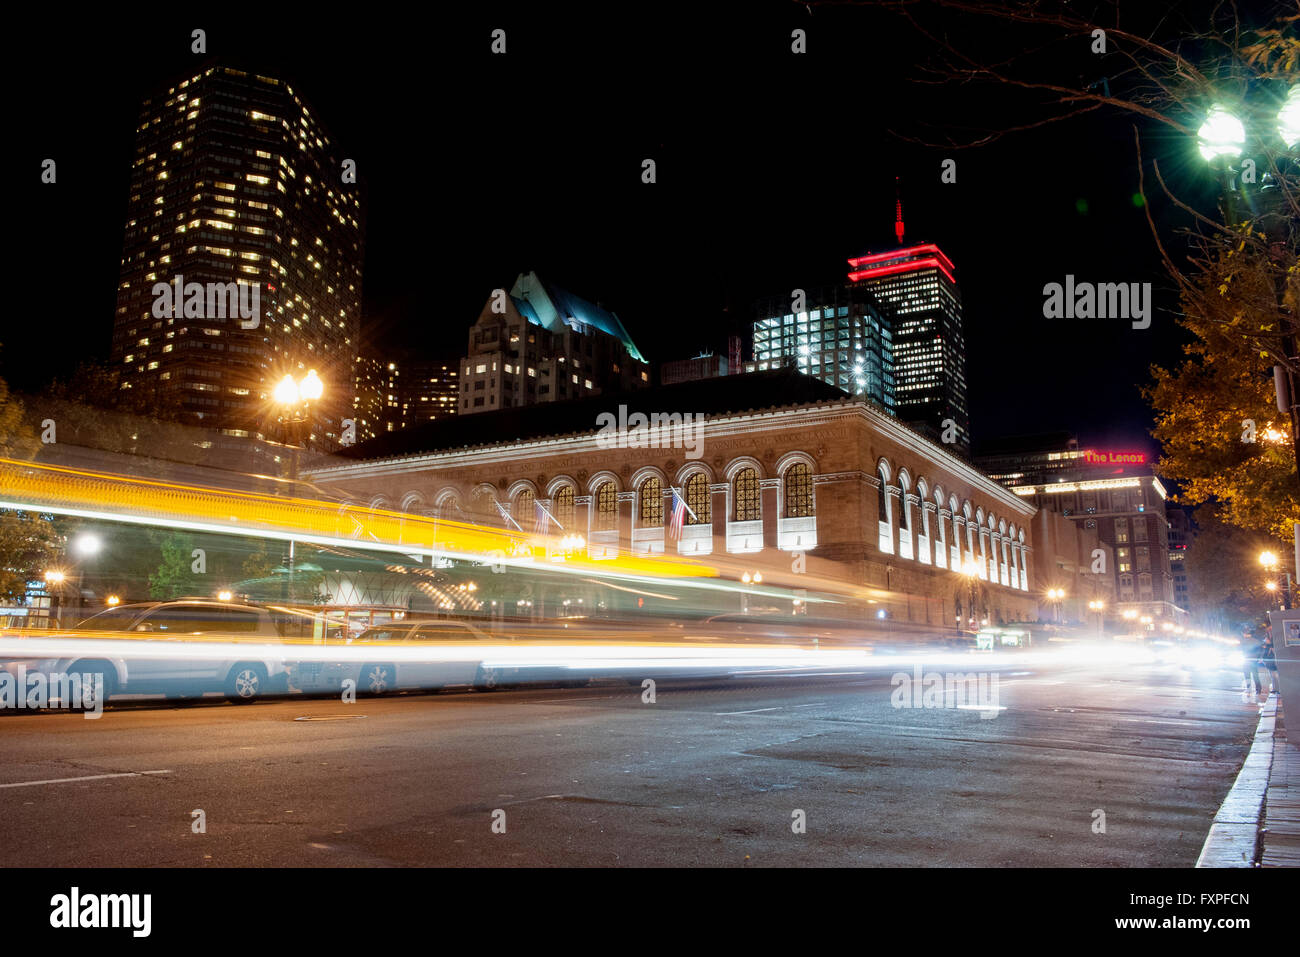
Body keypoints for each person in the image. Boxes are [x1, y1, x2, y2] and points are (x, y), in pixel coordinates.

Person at [1241, 628, 1262, 695]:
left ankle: (1249, 688)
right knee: (1255, 675)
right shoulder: (1256, 641)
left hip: (1246, 660)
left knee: (1247, 675)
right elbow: (1259, 651)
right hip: (1254, 660)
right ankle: (1258, 689)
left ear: (1245, 634)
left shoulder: (1243, 641)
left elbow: (1241, 650)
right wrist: (1259, 658)